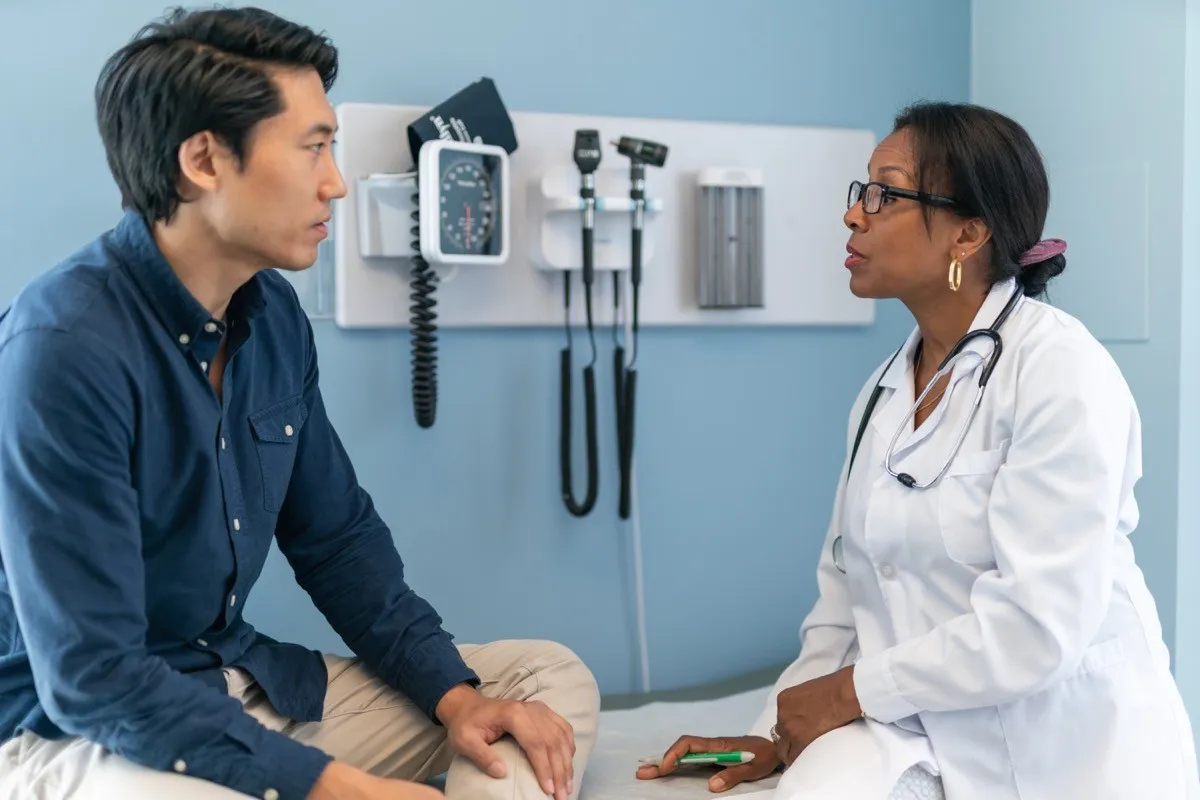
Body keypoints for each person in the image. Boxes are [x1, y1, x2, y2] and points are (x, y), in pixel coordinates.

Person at [0, 7, 599, 800]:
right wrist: (340, 789)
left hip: (234, 683)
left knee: (542, 681)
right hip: (80, 731)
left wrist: (458, 701)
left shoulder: (273, 316)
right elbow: (95, 677)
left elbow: (337, 540)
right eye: (314, 146)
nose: (336, 181)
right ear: (203, 161)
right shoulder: (63, 347)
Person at [636, 101, 1200, 799]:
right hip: (927, 729)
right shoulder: (882, 394)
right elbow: (845, 601)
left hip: (1072, 751)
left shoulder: (1061, 372)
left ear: (968, 233)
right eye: (861, 191)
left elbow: (1035, 629)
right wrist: (778, 731)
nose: (854, 215)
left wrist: (850, 694)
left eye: (885, 193)